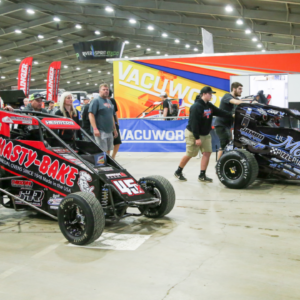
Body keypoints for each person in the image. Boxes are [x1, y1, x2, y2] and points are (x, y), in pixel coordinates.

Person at [174, 86, 233, 183]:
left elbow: (219, 112)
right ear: (204, 94)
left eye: (211, 94)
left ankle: (202, 175)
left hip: (205, 134)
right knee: (190, 154)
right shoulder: (196, 107)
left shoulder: (209, 105)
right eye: (210, 94)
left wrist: (232, 115)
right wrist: (197, 138)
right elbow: (194, 123)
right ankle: (178, 171)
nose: (211, 96)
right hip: (193, 133)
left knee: (207, 152)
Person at [214, 82, 255, 161]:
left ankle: (222, 162)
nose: (241, 91)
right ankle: (219, 164)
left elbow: (241, 107)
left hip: (227, 126)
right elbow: (237, 102)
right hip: (221, 125)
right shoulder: (227, 96)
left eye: (241, 89)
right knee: (224, 144)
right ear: (234, 89)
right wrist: (250, 104)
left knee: (227, 144)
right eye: (239, 89)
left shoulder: (237, 99)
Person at [89, 83, 118, 155]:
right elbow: (91, 114)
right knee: (102, 151)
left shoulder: (109, 101)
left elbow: (112, 116)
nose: (106, 91)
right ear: (100, 91)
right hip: (100, 130)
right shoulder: (96, 101)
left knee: (108, 150)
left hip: (109, 130)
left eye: (107, 90)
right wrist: (95, 129)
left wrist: (114, 129)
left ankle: (107, 164)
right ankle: (101, 165)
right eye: (104, 89)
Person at [108, 90, 122, 159]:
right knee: (107, 142)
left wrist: (117, 121)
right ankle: (107, 157)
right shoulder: (100, 101)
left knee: (117, 141)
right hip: (106, 124)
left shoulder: (112, 101)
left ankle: (113, 157)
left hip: (114, 124)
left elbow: (115, 112)